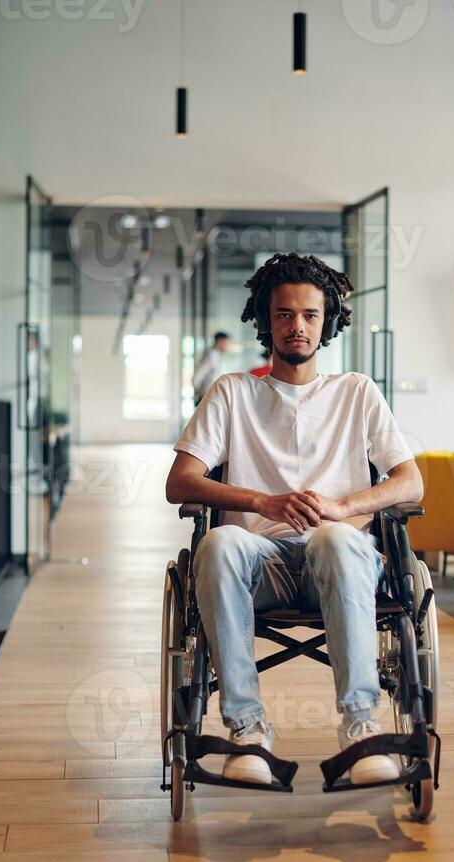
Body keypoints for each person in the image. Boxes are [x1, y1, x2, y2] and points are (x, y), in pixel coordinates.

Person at [166, 253, 423, 786]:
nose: (296, 326)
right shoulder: (233, 392)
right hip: (262, 567)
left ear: (326, 322)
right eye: (284, 314)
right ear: (266, 320)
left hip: (341, 559)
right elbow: (180, 482)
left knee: (331, 537)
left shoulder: (356, 392)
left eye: (309, 315)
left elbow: (410, 483)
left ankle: (362, 728)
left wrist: (342, 507)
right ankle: (248, 731)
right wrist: (262, 501)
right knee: (219, 542)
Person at [192, 332, 230, 406]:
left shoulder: (216, 355)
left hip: (211, 396)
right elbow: (197, 376)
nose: (228, 346)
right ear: (220, 342)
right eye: (226, 343)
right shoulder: (212, 355)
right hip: (207, 396)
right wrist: (200, 392)